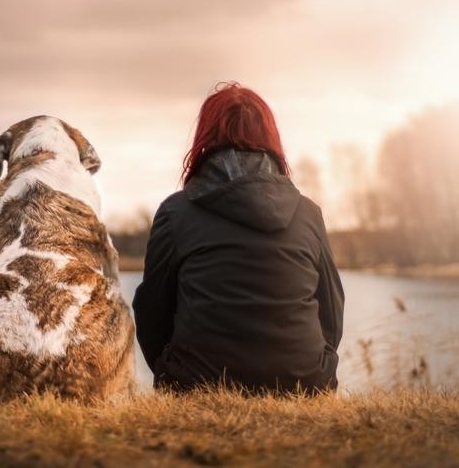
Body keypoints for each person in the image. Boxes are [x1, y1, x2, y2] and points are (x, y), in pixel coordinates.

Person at [132, 82, 344, 394]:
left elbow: (152, 312)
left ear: (205, 138)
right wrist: (314, 367)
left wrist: (171, 370)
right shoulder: (308, 213)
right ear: (271, 138)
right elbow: (332, 310)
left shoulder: (175, 213)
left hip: (197, 384)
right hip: (305, 383)